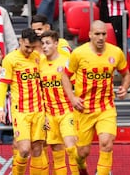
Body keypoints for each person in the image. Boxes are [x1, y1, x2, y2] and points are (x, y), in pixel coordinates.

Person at [61, 20, 130, 175]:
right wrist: (72, 98)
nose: (100, 37)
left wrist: (124, 87)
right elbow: (65, 77)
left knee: (106, 143)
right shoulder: (78, 53)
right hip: (83, 109)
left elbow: (126, 74)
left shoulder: (116, 52)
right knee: (82, 153)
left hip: (106, 107)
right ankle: (82, 167)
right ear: (90, 35)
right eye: (97, 34)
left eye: (103, 34)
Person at [0, 28, 48, 174]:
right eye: (27, 47)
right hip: (20, 111)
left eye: (32, 47)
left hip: (38, 110)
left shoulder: (37, 57)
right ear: (20, 41)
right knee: (24, 149)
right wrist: (1, 108)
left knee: (38, 148)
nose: (29, 50)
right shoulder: (10, 59)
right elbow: (3, 85)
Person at [39, 30, 79, 175]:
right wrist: (43, 115)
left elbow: (76, 86)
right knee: (57, 151)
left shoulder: (66, 62)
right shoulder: (39, 64)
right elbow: (38, 91)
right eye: (42, 43)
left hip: (67, 112)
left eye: (48, 43)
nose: (44, 46)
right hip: (49, 114)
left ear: (56, 44)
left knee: (70, 146)